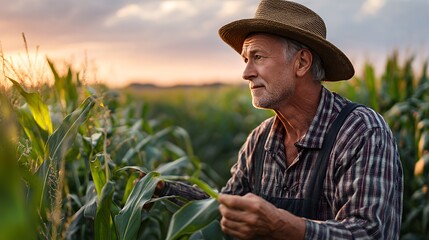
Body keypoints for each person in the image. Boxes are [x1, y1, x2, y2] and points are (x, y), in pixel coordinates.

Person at [155, 0, 403, 239]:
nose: (246, 73)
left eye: (258, 57)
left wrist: (281, 226)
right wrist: (161, 191)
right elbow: (228, 210)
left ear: (302, 63)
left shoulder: (361, 131)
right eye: (245, 59)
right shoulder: (260, 140)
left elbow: (368, 233)